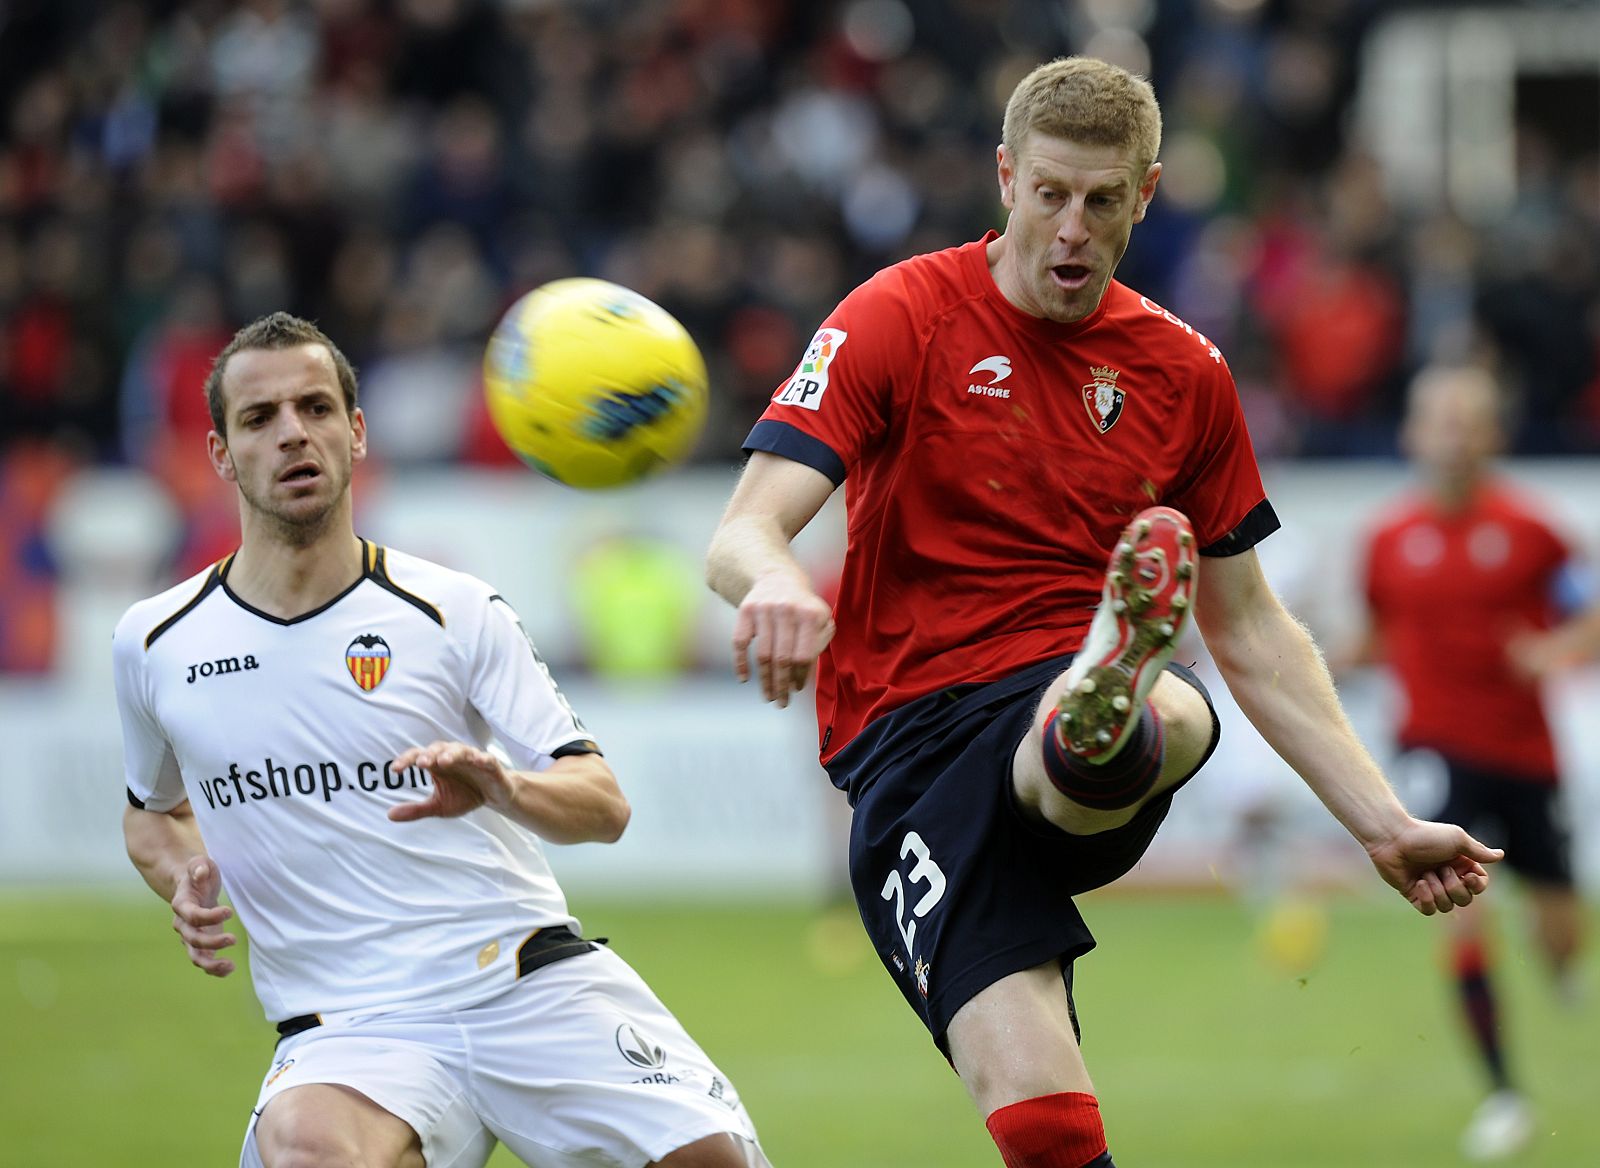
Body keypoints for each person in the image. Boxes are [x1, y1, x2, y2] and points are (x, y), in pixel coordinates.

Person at [704, 56, 1502, 1168]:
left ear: (1148, 193)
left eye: (1102, 200)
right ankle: (1101, 697)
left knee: (1164, 712)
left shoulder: (1186, 373)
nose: (1072, 228)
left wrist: (1378, 821)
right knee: (1041, 1125)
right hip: (910, 749)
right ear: (1004, 179)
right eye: (1049, 195)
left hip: (1062, 712)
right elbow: (742, 530)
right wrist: (782, 581)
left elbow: (1254, 630)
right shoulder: (898, 314)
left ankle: (1100, 691)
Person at [114, 312, 770, 1168]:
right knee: (309, 1149)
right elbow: (150, 813)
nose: (292, 435)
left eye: (315, 408)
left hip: (528, 985)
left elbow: (603, 807)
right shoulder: (156, 641)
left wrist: (504, 787)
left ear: (355, 434)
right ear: (220, 454)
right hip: (351, 1028)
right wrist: (184, 879)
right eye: (259, 418)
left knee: (707, 1162)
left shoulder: (453, 610)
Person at [1356, 363, 1593, 1161]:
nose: (1452, 437)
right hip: (1433, 752)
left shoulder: (1535, 534)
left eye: (1468, 422)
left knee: (1564, 928)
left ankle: (1558, 962)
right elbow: (1372, 636)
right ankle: (1503, 1094)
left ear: (1492, 436)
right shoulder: (1386, 542)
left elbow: (1584, 609)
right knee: (1464, 910)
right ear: (1411, 434)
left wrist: (1558, 647)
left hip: (1525, 753)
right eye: (1438, 421)